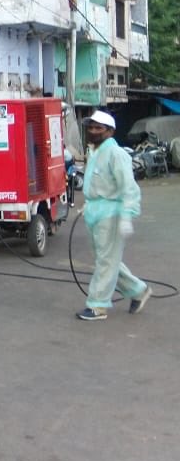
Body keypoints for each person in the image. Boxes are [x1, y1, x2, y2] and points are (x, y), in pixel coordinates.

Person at [75, 110, 150, 321]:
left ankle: (97, 306)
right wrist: (89, 204)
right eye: (91, 127)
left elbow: (129, 187)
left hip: (112, 213)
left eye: (99, 128)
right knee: (106, 259)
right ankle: (138, 290)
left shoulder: (117, 154)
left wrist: (127, 215)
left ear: (110, 131)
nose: (93, 131)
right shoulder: (94, 152)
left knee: (106, 262)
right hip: (95, 212)